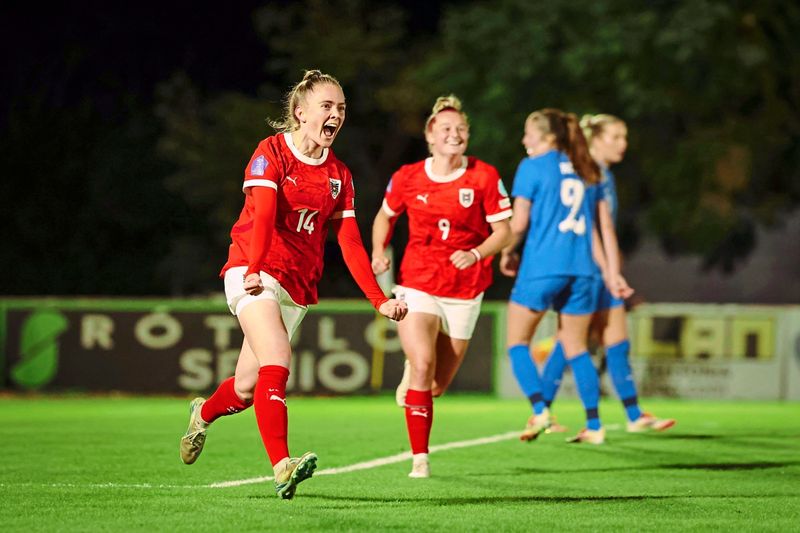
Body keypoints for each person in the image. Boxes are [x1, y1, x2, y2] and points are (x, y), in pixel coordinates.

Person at [178, 70, 408, 499]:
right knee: (278, 358)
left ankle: (202, 415)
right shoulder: (270, 154)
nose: (336, 114)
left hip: (297, 285)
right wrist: (253, 267)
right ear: (300, 113)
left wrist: (379, 300)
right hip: (253, 271)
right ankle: (282, 465)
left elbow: (349, 241)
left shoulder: (339, 174)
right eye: (327, 106)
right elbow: (263, 216)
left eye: (341, 107)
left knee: (246, 388)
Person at [371, 95, 512, 478]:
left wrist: (477, 252)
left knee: (436, 385)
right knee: (423, 364)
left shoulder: (483, 175)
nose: (455, 134)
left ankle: (417, 375)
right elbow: (385, 217)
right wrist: (378, 251)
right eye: (446, 129)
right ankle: (420, 459)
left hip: (466, 290)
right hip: (419, 281)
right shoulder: (407, 176)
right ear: (430, 136)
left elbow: (504, 231)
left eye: (461, 129)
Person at [500, 108, 632, 445]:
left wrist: (504, 250)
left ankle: (540, 410)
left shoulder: (531, 166)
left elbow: (518, 224)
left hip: (543, 267)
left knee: (516, 343)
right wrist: (612, 273)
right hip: (584, 270)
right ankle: (594, 425)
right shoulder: (586, 168)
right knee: (576, 347)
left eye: (529, 133)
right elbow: (603, 228)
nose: (524, 140)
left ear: (547, 137)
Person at [539, 114, 675, 433]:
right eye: (615, 137)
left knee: (614, 341)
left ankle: (632, 414)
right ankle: (542, 410)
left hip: (602, 271)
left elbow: (606, 230)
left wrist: (614, 271)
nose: (622, 144)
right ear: (595, 140)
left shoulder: (605, 176)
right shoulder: (582, 173)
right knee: (570, 341)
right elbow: (591, 232)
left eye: (624, 137)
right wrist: (608, 271)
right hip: (584, 272)